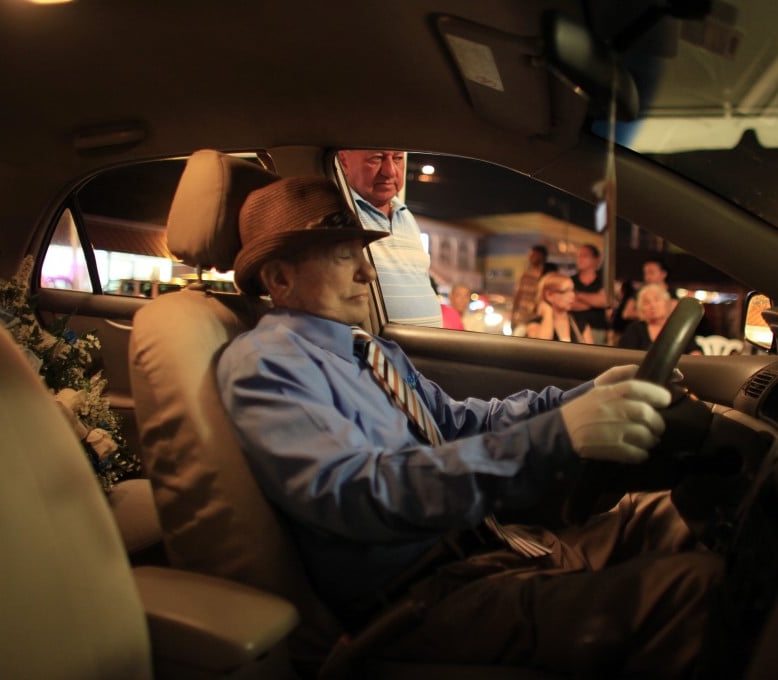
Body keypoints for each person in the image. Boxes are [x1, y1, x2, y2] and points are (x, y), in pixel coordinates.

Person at [217, 177, 722, 677]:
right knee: (691, 588)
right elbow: (358, 493)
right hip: (423, 598)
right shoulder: (269, 363)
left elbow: (458, 422)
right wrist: (555, 437)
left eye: (363, 254)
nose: (367, 273)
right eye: (344, 256)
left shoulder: (369, 350)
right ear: (279, 279)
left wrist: (582, 399)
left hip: (485, 549)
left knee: (663, 515)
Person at [337, 149, 442, 327]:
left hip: (424, 342)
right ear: (344, 160)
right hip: (378, 344)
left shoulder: (405, 214)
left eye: (398, 158)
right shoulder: (340, 212)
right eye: (377, 158)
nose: (390, 171)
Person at [618, 282, 702, 354]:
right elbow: (625, 356)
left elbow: (695, 352)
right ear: (641, 309)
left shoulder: (679, 329)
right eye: (647, 302)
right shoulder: (634, 329)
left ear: (666, 303)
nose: (652, 305)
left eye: (657, 300)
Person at [526, 272, 593, 344]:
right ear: (549, 295)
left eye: (572, 290)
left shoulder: (580, 323)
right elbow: (542, 345)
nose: (572, 295)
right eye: (566, 291)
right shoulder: (535, 324)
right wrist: (547, 312)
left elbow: (590, 350)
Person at [569, 244, 610, 345]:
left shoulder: (604, 281)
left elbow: (605, 301)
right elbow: (570, 304)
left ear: (596, 259)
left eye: (584, 256)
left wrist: (578, 295)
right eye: (578, 256)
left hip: (597, 328)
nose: (580, 259)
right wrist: (593, 302)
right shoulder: (570, 281)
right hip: (575, 328)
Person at [510, 244, 556, 332]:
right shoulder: (525, 274)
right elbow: (517, 296)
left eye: (533, 255)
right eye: (530, 255)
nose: (530, 257)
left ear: (541, 256)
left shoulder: (548, 276)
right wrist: (513, 316)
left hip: (537, 320)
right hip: (521, 319)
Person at [608, 279, 638, 346]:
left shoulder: (626, 300)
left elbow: (624, 315)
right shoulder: (628, 299)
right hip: (621, 330)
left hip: (620, 330)